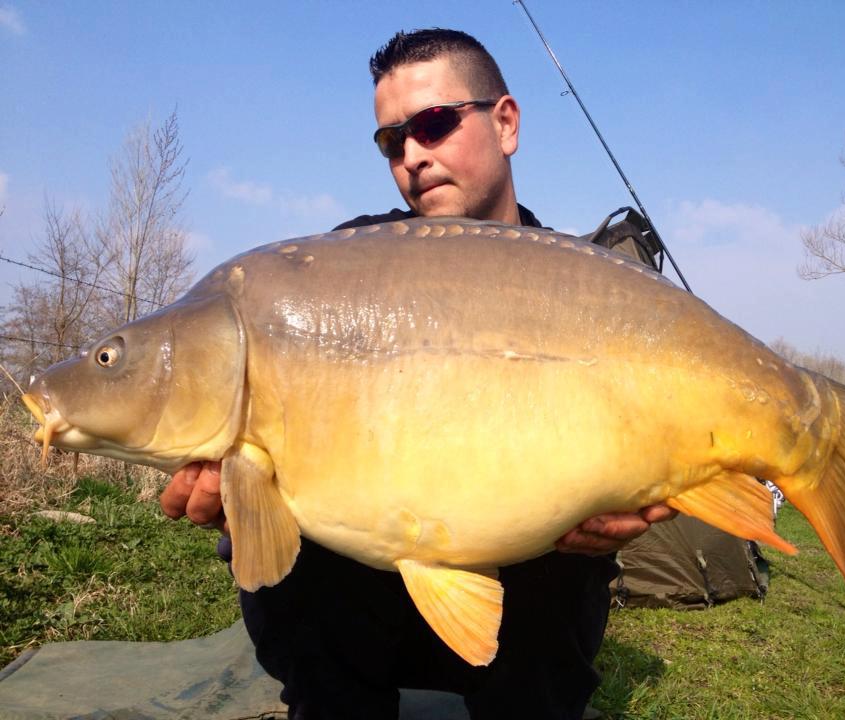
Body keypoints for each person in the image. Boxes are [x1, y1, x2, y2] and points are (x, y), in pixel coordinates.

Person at [160, 28, 676, 720]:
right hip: (372, 609)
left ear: (506, 122)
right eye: (390, 141)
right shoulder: (346, 261)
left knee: (562, 557)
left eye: (433, 125)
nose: (411, 156)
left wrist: (656, 500)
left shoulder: (581, 282)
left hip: (530, 608)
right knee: (279, 514)